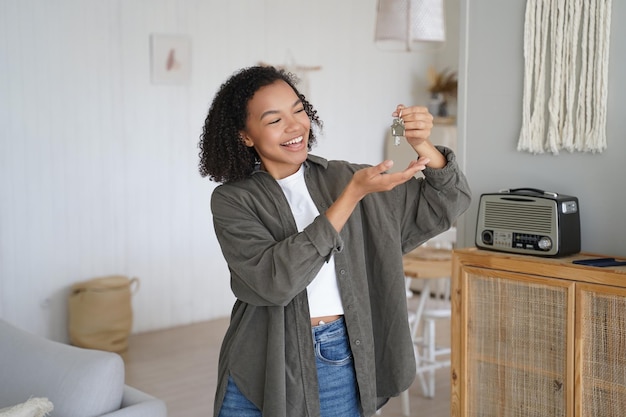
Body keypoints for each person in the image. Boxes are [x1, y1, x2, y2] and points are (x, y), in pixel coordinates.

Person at [198, 65, 471, 417]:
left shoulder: (344, 176)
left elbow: (449, 202)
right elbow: (276, 282)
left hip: (337, 353)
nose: (294, 126)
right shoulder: (233, 200)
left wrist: (423, 146)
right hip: (260, 357)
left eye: (298, 110)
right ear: (245, 136)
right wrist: (351, 196)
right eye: (273, 119)